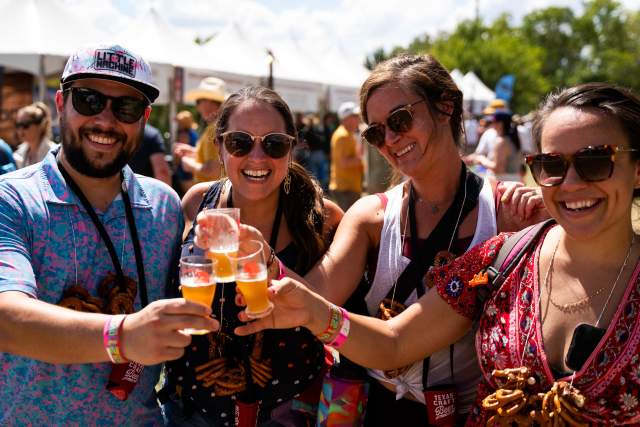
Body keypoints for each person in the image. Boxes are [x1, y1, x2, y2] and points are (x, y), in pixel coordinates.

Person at [236, 82, 640, 425]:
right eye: (551, 164)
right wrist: (296, 295)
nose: (569, 182)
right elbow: (392, 341)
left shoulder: (505, 216)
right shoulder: (502, 257)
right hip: (379, 403)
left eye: (594, 161)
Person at [203, 54, 547, 425]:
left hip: (470, 413)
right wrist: (264, 259)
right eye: (376, 132)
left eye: (400, 120)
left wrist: (551, 210)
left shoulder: (504, 212)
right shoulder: (371, 216)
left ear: (445, 107)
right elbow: (314, 295)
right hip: (379, 409)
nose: (391, 140)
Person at [0, 44, 217, 425]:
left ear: (144, 118)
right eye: (88, 100)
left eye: (126, 108)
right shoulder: (13, 199)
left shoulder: (163, 205)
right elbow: (6, 318)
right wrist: (124, 336)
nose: (105, 119)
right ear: (60, 104)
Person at [163, 86, 343, 426]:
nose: (257, 157)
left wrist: (271, 263)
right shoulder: (195, 202)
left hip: (284, 415)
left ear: (291, 148)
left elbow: (332, 314)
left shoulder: (323, 218)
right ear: (218, 147)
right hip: (189, 413)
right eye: (240, 142)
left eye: (274, 144)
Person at [175, 77, 227, 184]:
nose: (198, 107)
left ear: (209, 101)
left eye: (198, 101)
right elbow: (217, 160)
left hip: (211, 195)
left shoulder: (214, 129)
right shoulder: (220, 126)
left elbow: (214, 170)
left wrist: (188, 164)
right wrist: (194, 152)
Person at [464, 111, 522, 180]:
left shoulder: (501, 141)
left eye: (493, 122)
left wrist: (481, 159)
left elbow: (498, 170)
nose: (492, 125)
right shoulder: (512, 139)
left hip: (503, 184)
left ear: (500, 124)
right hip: (513, 181)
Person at [329, 101, 364, 211]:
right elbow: (344, 163)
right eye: (354, 116)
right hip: (345, 189)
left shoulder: (347, 134)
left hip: (348, 187)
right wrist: (361, 160)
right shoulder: (342, 136)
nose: (358, 118)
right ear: (345, 119)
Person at [13, 101, 58, 168]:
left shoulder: (54, 153)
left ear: (40, 125)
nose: (20, 130)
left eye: (25, 125)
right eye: (18, 125)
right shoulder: (18, 154)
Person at [172, 110, 199, 195]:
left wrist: (175, 165)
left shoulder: (184, 134)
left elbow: (179, 153)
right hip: (191, 167)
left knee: (188, 195)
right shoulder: (193, 133)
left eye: (180, 122)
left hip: (185, 170)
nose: (178, 124)